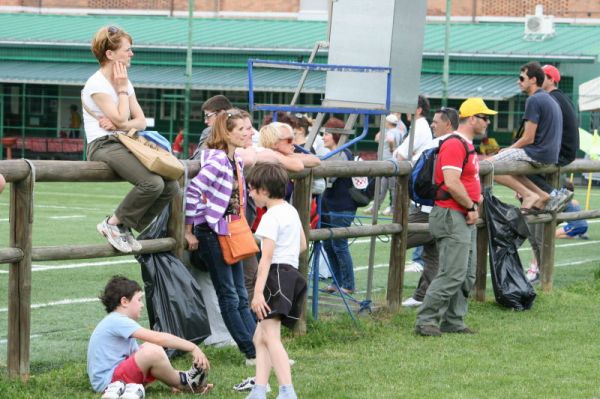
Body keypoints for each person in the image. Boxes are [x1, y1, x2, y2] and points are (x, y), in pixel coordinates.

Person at [82, 26, 179, 254]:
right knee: (152, 183)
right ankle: (113, 223)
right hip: (102, 145)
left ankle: (124, 227)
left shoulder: (124, 80)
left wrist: (121, 122)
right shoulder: (97, 83)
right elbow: (125, 117)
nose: (131, 54)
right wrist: (122, 93)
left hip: (124, 141)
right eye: (127, 49)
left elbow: (141, 121)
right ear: (110, 54)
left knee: (171, 185)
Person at [415, 98, 496, 336]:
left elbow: (466, 180)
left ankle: (454, 321)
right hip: (453, 215)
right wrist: (471, 205)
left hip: (462, 214)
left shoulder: (466, 144)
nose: (488, 121)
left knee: (467, 274)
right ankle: (426, 321)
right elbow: (451, 182)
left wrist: (475, 202)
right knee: (452, 273)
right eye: (484, 117)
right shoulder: (455, 144)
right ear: (472, 118)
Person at [184, 109, 257, 364]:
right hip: (214, 232)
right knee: (229, 294)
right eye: (243, 129)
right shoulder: (216, 161)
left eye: (249, 128)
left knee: (239, 293)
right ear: (226, 133)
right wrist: (189, 228)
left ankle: (258, 347)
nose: (249, 133)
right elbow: (193, 191)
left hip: (231, 230)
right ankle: (251, 351)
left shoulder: (235, 159)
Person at [87, 276, 211, 399]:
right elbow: (158, 338)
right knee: (152, 350)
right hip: (110, 384)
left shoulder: (116, 321)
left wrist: (172, 380)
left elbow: (144, 362)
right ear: (124, 302)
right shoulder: (117, 320)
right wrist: (192, 347)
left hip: (113, 379)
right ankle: (184, 383)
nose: (142, 305)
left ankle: (182, 382)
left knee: (148, 349)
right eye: (139, 299)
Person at [244, 163, 307, 399]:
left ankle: (287, 391)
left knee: (270, 337)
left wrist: (258, 292)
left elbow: (266, 258)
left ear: (264, 190)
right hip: (291, 275)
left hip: (275, 276)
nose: (250, 194)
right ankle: (258, 391)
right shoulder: (290, 210)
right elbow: (301, 244)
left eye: (252, 189)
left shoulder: (269, 217)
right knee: (259, 337)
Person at [403, 106, 459, 307]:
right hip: (445, 209)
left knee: (397, 241)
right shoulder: (462, 143)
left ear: (448, 124)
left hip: (427, 208)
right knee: (433, 254)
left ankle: (397, 296)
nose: (432, 125)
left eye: (436, 122)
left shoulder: (437, 144)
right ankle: (422, 296)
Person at [489, 61, 562, 213]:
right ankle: (541, 195)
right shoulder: (549, 98)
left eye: (522, 78)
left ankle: (528, 195)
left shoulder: (534, 99)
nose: (518, 82)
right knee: (505, 164)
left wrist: (508, 149)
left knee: (488, 165)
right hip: (550, 156)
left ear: (533, 80)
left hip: (537, 154)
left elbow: (528, 138)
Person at [321, 117, 357, 295]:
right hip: (330, 205)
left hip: (341, 206)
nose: (323, 137)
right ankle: (337, 282)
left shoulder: (342, 154)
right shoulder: (333, 153)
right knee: (329, 245)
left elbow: (329, 178)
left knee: (339, 245)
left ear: (336, 135)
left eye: (326, 133)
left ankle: (348, 285)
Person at [364, 113, 406, 216]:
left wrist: (392, 148)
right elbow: (377, 138)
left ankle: (391, 208)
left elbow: (388, 140)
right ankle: (377, 207)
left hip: (388, 162)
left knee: (388, 187)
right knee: (385, 187)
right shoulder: (399, 131)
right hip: (392, 162)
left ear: (388, 122)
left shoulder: (390, 132)